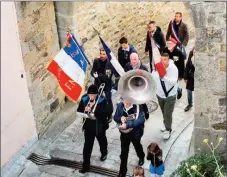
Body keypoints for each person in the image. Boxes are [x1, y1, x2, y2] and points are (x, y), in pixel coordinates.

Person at [77, 84, 112, 174]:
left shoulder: (101, 100)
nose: (91, 96)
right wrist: (85, 109)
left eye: (93, 95)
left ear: (96, 94)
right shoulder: (84, 98)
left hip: (99, 126)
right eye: (90, 95)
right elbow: (79, 110)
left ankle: (104, 153)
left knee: (102, 141)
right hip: (88, 127)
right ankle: (86, 167)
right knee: (87, 148)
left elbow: (106, 112)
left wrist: (94, 111)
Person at [114, 98, 145, 177]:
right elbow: (115, 117)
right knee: (124, 153)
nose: (125, 102)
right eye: (124, 100)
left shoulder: (137, 106)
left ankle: (141, 156)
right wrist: (120, 118)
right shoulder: (120, 105)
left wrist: (127, 125)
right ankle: (122, 172)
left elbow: (141, 120)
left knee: (137, 146)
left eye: (127, 100)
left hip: (135, 133)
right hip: (124, 134)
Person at [151, 53, 178, 140]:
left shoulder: (173, 68)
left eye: (165, 59)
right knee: (163, 111)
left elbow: (173, 82)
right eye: (162, 59)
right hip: (160, 95)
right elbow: (152, 78)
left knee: (168, 114)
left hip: (170, 96)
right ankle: (165, 123)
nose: (163, 61)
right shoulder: (156, 68)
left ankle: (168, 130)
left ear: (168, 59)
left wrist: (164, 77)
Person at [124, 53, 150, 120]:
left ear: (138, 58)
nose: (133, 61)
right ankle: (135, 114)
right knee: (133, 101)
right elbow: (125, 76)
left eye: (135, 59)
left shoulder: (143, 67)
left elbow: (148, 78)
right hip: (132, 87)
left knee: (142, 101)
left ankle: (145, 112)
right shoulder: (127, 66)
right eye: (131, 59)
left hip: (141, 87)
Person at [90, 48, 114, 121]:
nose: (102, 55)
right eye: (101, 54)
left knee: (108, 99)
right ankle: (98, 112)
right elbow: (92, 71)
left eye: (104, 54)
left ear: (107, 55)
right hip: (97, 83)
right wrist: (94, 74)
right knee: (97, 99)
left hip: (107, 84)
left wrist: (98, 75)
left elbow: (107, 77)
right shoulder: (96, 60)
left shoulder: (110, 63)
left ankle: (109, 114)